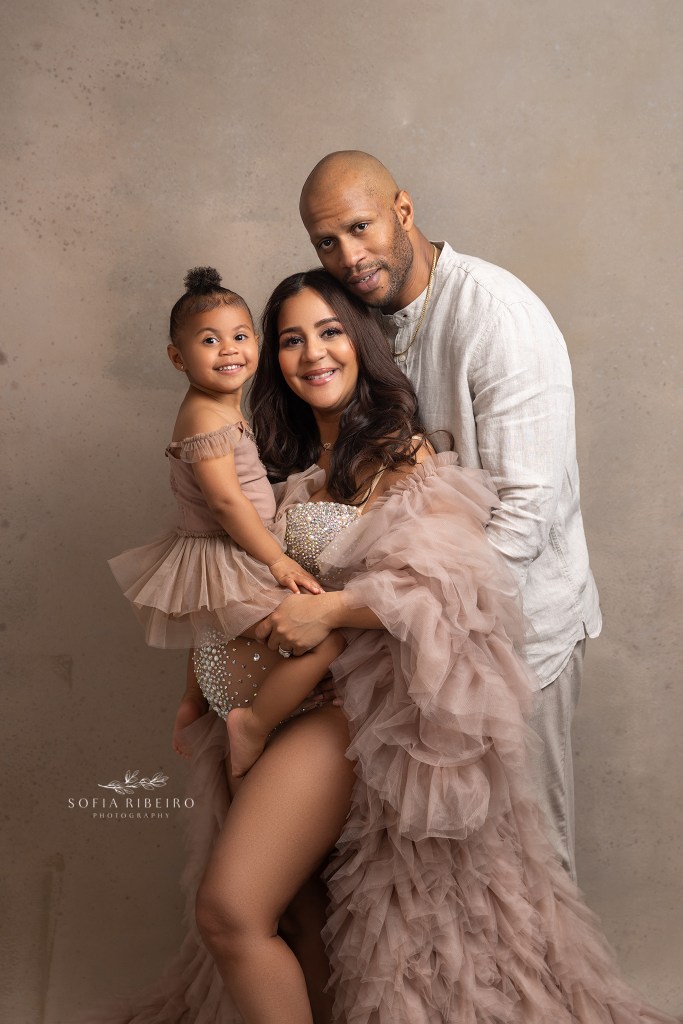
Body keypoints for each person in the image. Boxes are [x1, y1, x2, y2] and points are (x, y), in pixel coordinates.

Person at [92, 270, 677, 1024]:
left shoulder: (404, 462)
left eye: (330, 332)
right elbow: (222, 583)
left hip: (341, 711)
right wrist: (198, 690)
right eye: (292, 339)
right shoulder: (284, 472)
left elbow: (448, 590)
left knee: (230, 912)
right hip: (255, 704)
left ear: (362, 344)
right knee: (299, 919)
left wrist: (329, 612)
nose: (312, 354)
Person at [298, 150, 602, 878]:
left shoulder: (495, 317)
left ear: (403, 210)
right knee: (453, 883)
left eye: (360, 228)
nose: (348, 256)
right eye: (326, 243)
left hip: (518, 637)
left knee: (534, 868)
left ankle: (555, 997)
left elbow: (524, 519)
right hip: (417, 644)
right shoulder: (353, 322)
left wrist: (370, 609)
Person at [108, 266, 345, 779]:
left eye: (239, 336)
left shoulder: (216, 407)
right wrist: (277, 558)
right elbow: (226, 504)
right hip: (228, 548)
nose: (229, 350)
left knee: (209, 626)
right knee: (324, 636)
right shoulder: (204, 416)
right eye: (209, 341)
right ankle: (253, 724)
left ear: (257, 343)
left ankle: (193, 705)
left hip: (230, 547)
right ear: (178, 358)